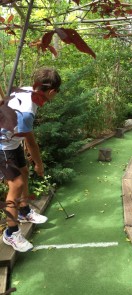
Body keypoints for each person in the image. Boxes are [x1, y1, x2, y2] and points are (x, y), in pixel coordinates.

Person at [0, 67, 61, 252]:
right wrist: (39, 164)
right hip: (2, 145)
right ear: (51, 92)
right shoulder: (27, 111)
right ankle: (11, 233)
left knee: (24, 172)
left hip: (12, 141)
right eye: (56, 94)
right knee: (16, 184)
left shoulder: (27, 89)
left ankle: (24, 211)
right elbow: (32, 143)